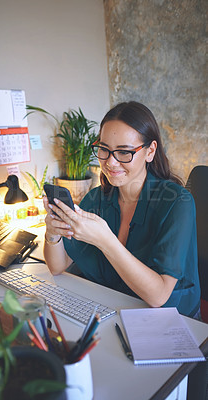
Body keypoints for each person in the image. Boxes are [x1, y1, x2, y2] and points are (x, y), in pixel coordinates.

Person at [43, 101, 201, 318]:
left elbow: (159, 296)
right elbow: (58, 266)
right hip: (112, 311)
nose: (111, 163)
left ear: (150, 151)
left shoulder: (178, 202)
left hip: (170, 321)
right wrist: (52, 233)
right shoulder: (97, 198)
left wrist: (105, 240)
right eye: (104, 150)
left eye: (124, 153)